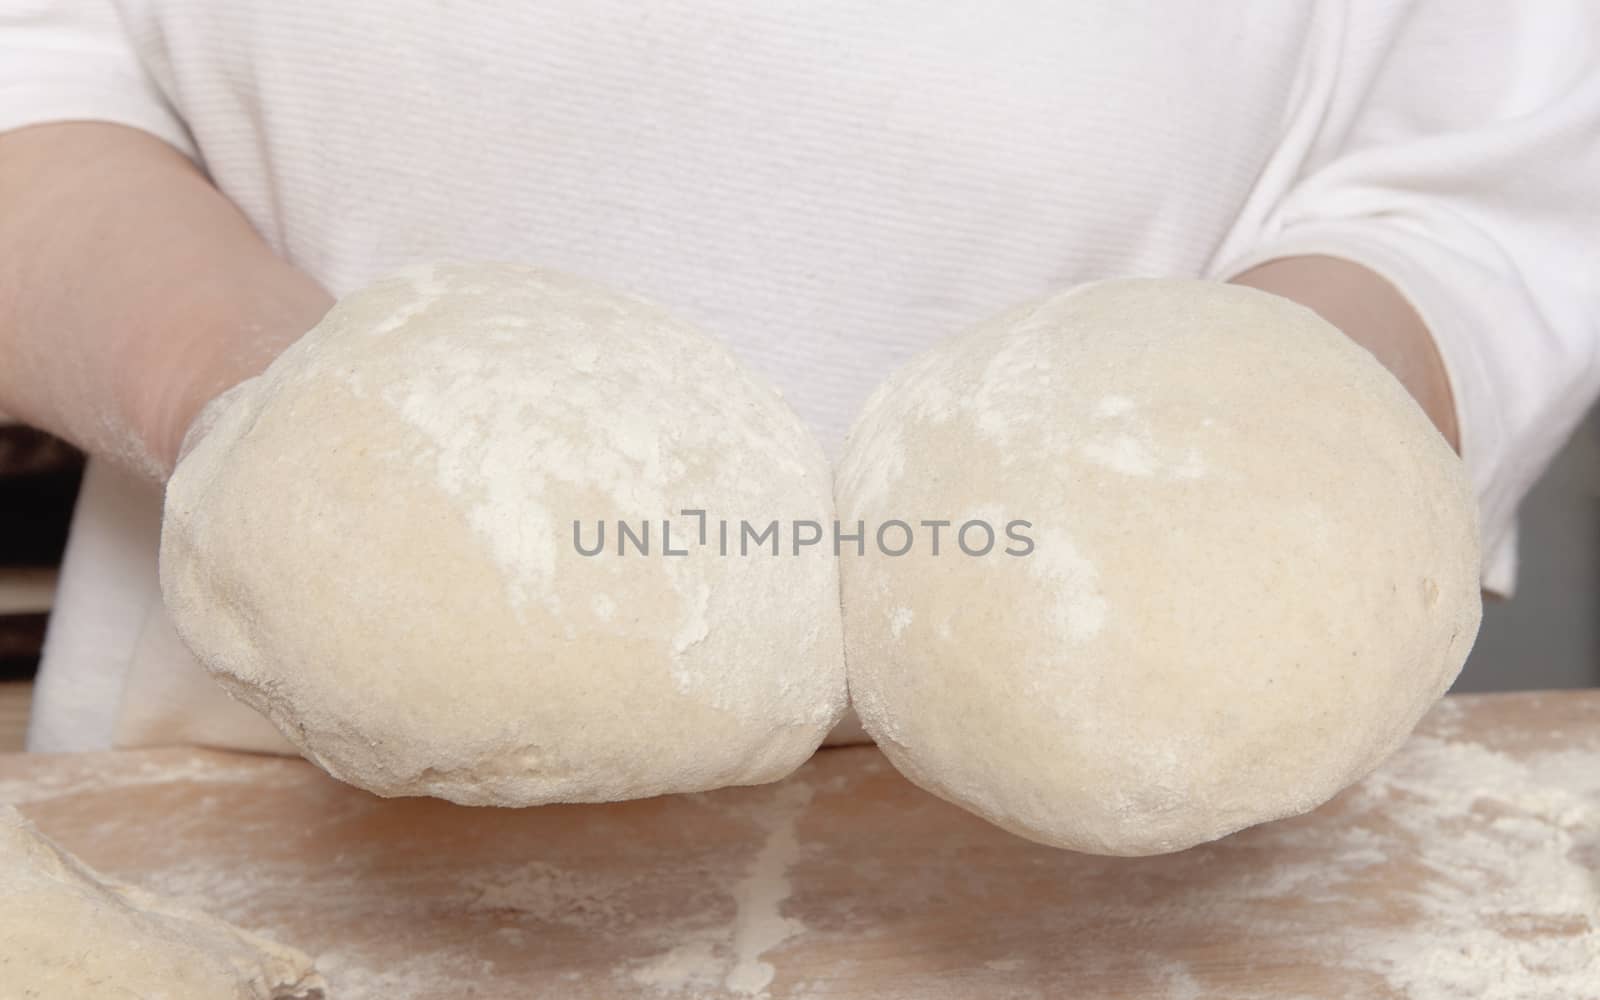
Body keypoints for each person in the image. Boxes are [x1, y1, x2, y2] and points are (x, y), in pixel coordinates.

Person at [1, 2, 1596, 754]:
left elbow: (1496, 170)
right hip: (255, 771)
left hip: (1129, 871)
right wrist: (259, 398)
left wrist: (1237, 443)